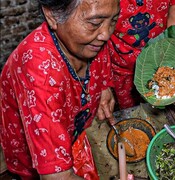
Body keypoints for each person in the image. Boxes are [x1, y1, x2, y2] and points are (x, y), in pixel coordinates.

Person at [0, 0, 120, 179]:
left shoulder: (89, 41)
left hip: (72, 134)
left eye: (113, 20)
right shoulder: (40, 71)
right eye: (94, 23)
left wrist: (104, 87)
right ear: (52, 16)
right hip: (34, 161)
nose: (105, 34)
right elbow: (57, 177)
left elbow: (100, 66)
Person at [108, 0, 175, 109]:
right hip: (122, 65)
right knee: (130, 108)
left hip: (160, 57)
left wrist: (172, 57)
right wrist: (102, 84)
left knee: (162, 103)